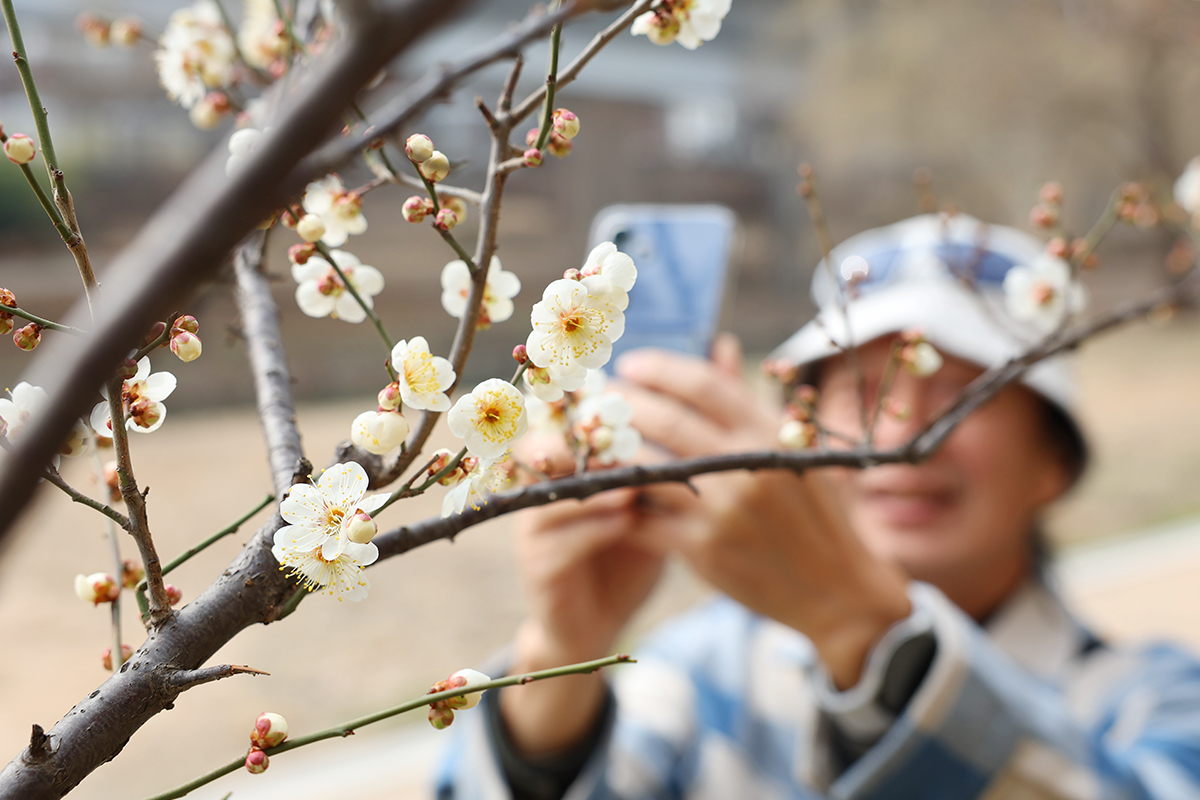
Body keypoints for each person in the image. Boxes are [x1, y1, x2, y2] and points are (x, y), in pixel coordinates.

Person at [436, 213, 1200, 799]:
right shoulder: (700, 677)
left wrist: (865, 631)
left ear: (1053, 462)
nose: (903, 432)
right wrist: (563, 655)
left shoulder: (1152, 701)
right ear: (798, 435)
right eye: (864, 395)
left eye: (965, 395)